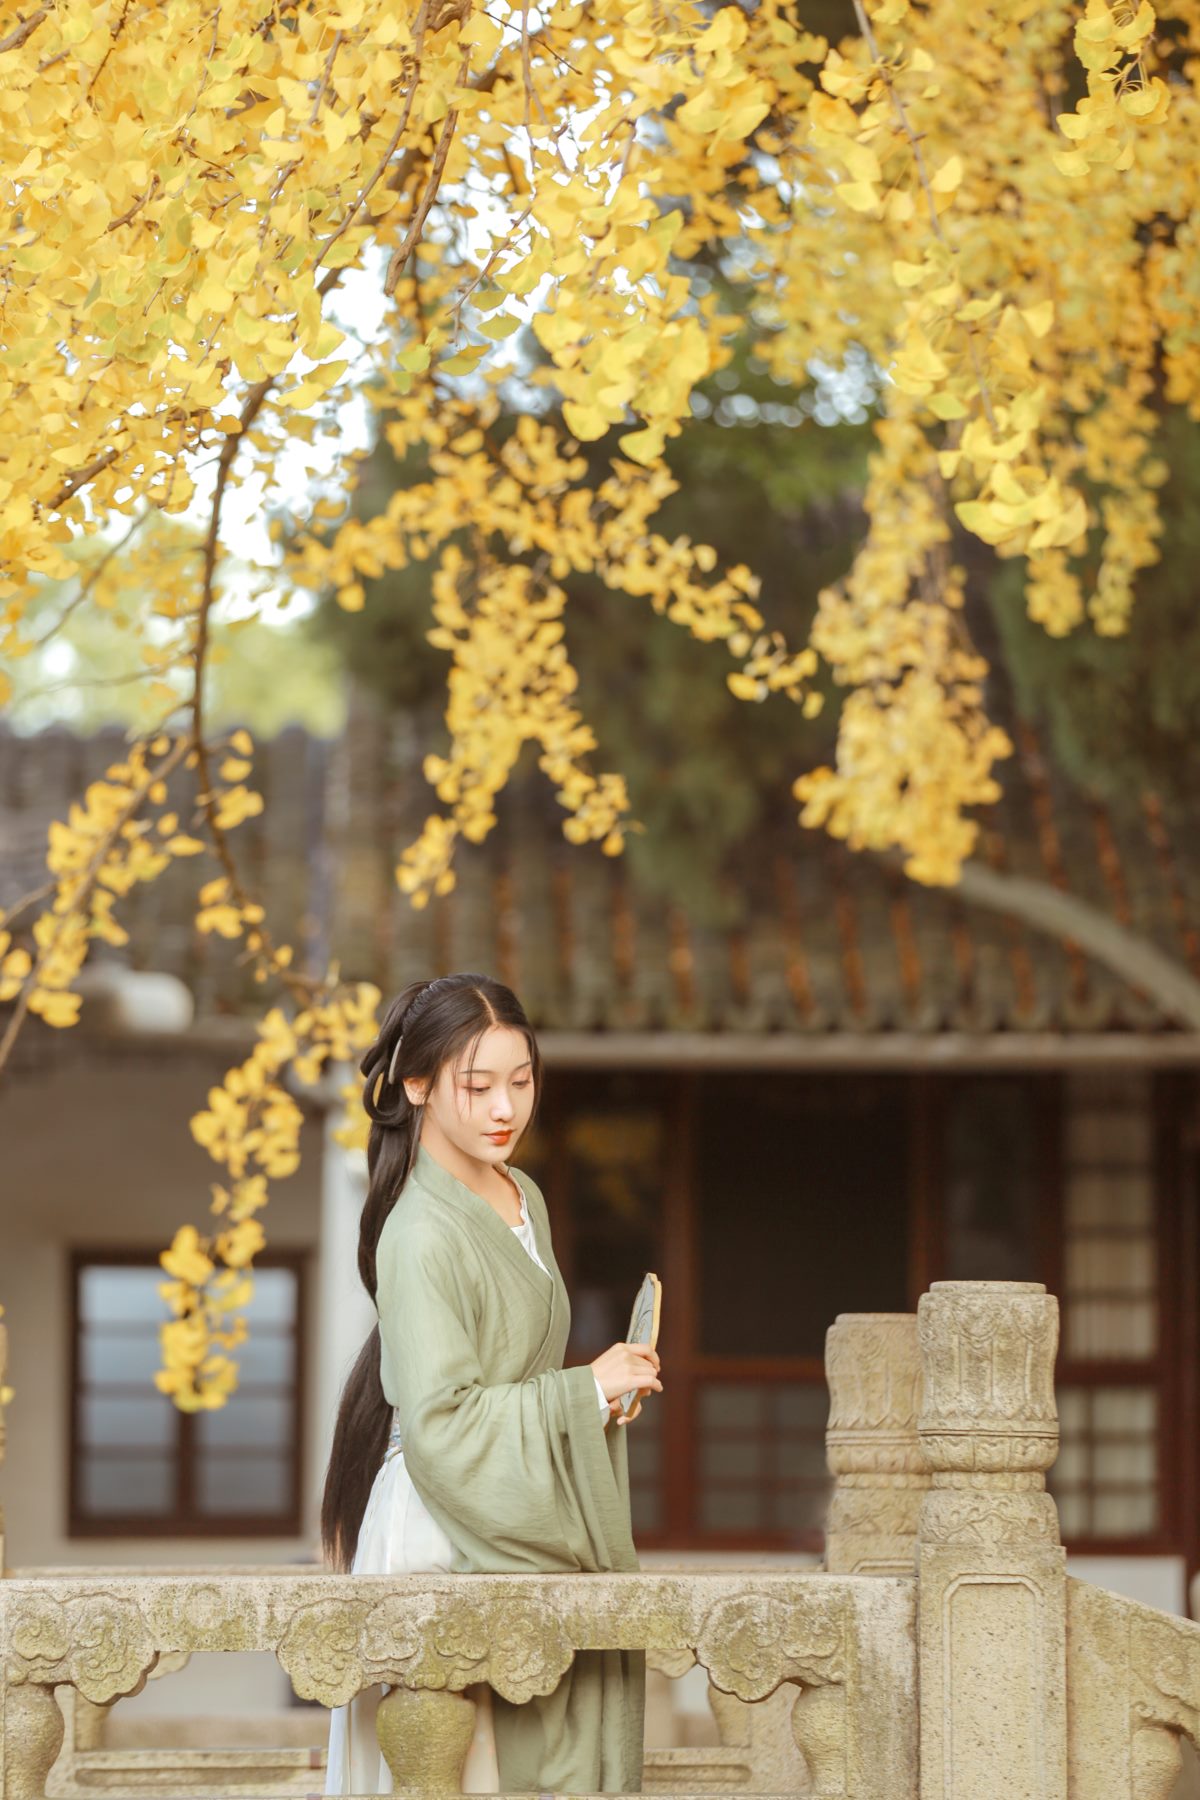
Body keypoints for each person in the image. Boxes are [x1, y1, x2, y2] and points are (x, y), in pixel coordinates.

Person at [321, 972, 662, 1795]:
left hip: (500, 1497)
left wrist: (595, 1400)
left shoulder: (522, 1195)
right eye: (476, 1088)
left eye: (521, 1082)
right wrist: (580, 1394)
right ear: (418, 1087)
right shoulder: (418, 1234)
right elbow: (440, 1425)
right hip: (443, 1527)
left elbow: (515, 1374)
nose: (504, 1109)